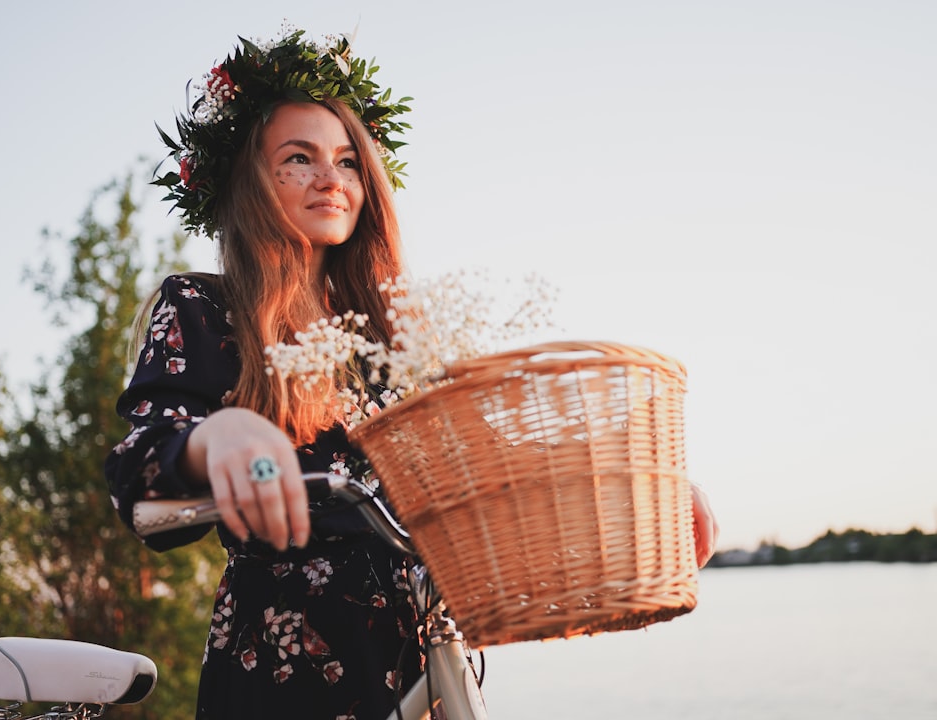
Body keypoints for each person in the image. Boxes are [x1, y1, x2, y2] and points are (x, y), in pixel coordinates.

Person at [106, 28, 720, 720]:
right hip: (286, 668)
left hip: (419, 648)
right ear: (249, 181)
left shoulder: (391, 332)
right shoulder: (202, 307)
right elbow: (139, 468)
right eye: (298, 158)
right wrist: (220, 438)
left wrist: (637, 491)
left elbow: (484, 464)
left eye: (346, 161)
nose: (330, 178)